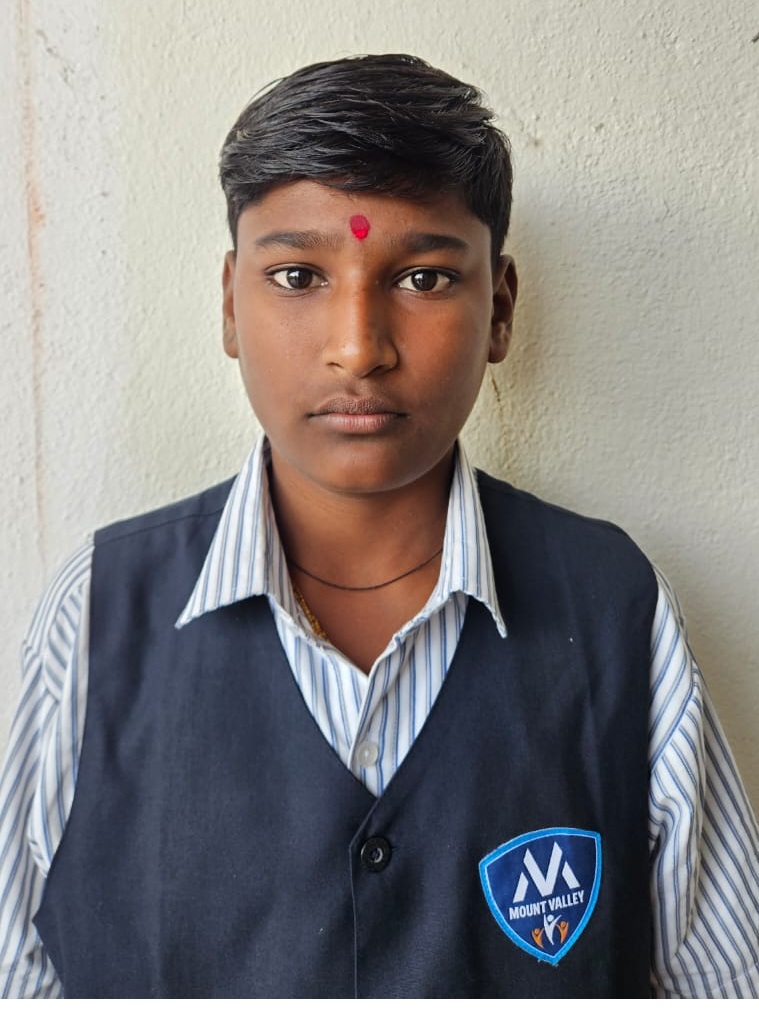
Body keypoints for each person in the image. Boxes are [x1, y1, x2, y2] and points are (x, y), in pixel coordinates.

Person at [0, 52, 757, 999]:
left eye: (424, 279)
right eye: (296, 275)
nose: (358, 347)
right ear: (229, 305)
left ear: (500, 310)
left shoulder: (609, 607)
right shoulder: (102, 612)